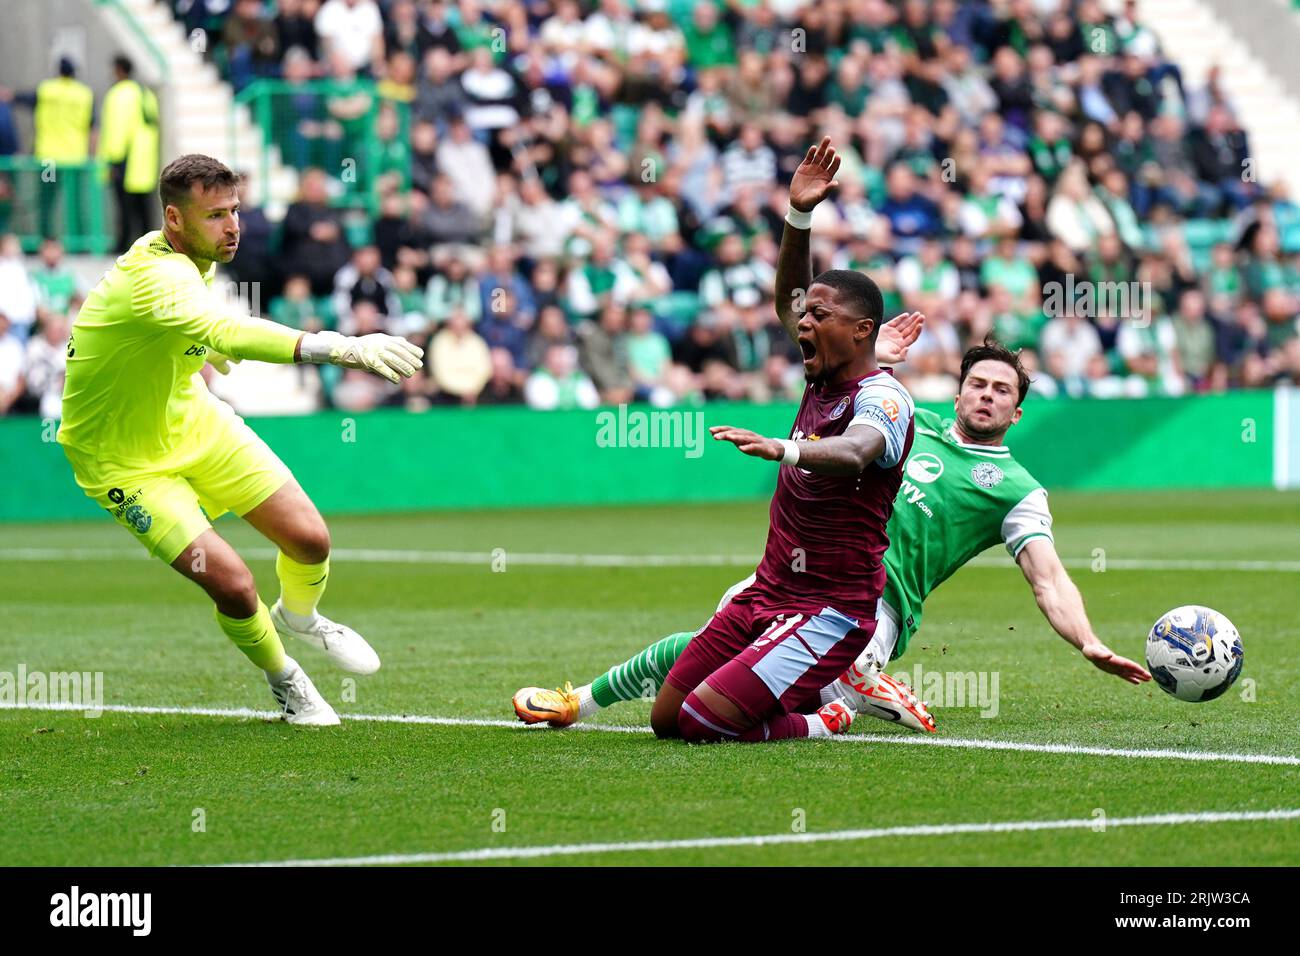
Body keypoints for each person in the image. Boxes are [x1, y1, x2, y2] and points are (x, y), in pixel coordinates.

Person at [515, 341, 1153, 734]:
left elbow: (1049, 579)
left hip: (875, 604)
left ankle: (844, 687)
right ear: (959, 391)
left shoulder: (1017, 488)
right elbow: (854, 392)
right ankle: (582, 703)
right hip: (796, 575)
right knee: (706, 652)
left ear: (1016, 413)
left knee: (743, 684)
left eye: (1001, 391)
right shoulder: (907, 417)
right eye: (978, 384)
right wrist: (882, 350)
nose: (986, 396)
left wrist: (1090, 643)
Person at [528, 137, 918, 745]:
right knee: (666, 720)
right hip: (770, 589)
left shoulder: (883, 398)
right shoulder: (822, 369)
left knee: (704, 722)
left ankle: (827, 717)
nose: (804, 323)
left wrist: (783, 449)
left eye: (821, 316)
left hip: (831, 610)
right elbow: (789, 298)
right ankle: (811, 696)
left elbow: (854, 452)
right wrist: (799, 217)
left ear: (862, 330)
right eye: (806, 315)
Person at [56, 154, 424, 725]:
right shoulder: (153, 277)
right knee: (232, 584)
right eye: (215, 215)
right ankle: (287, 680)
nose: (232, 227)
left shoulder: (190, 258)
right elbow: (221, 326)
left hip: (194, 421)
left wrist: (201, 352)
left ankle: (300, 616)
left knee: (310, 540)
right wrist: (337, 346)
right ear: (174, 219)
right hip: (123, 462)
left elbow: (195, 329)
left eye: (235, 210)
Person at [98, 56, 160, 253]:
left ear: (118, 70)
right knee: (144, 207)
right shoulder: (145, 93)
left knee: (124, 206)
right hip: (145, 159)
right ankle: (150, 246)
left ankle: (123, 245)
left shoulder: (117, 95)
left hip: (125, 158)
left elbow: (115, 129)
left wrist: (111, 161)